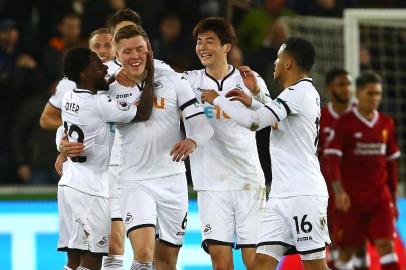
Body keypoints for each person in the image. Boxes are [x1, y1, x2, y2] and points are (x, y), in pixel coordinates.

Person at [201, 37, 331, 270]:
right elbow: (276, 120)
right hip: (281, 196)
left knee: (315, 266)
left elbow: (255, 123)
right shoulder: (296, 94)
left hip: (303, 194)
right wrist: (253, 99)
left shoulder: (299, 92)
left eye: (279, 58)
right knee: (260, 264)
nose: (275, 62)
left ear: (288, 63)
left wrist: (217, 99)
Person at [110, 24, 213, 270]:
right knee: (144, 254)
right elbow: (83, 120)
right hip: (135, 181)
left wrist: (192, 140)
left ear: (149, 50)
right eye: (127, 51)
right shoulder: (109, 88)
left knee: (166, 262)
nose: (134, 56)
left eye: (140, 49)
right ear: (116, 55)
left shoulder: (174, 82)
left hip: (172, 181)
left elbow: (203, 126)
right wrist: (64, 146)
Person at [182, 17, 267, 270]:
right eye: (199, 42)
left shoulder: (248, 79)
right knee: (221, 264)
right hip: (211, 185)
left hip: (248, 181)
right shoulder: (187, 81)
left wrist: (257, 94)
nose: (202, 47)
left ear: (227, 47)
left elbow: (271, 118)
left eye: (210, 41)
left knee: (255, 263)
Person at [57, 47, 138, 270]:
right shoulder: (99, 104)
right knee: (94, 260)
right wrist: (145, 85)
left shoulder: (69, 96)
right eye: (97, 64)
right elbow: (137, 112)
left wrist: (60, 147)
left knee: (74, 261)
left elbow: (63, 130)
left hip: (69, 183)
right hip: (90, 189)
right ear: (84, 74)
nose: (104, 67)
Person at [325, 71, 401, 270]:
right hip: (352, 201)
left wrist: (393, 198)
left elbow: (391, 164)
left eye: (378, 94)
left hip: (379, 200)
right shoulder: (344, 123)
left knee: (387, 246)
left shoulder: (386, 123)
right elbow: (332, 160)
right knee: (347, 252)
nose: (375, 98)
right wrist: (339, 192)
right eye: (370, 93)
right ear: (358, 94)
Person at [318, 68, 354, 267]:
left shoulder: (360, 114)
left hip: (356, 186)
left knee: (354, 242)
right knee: (331, 239)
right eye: (341, 84)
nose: (347, 89)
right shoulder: (321, 117)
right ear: (330, 88)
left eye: (349, 84)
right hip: (327, 188)